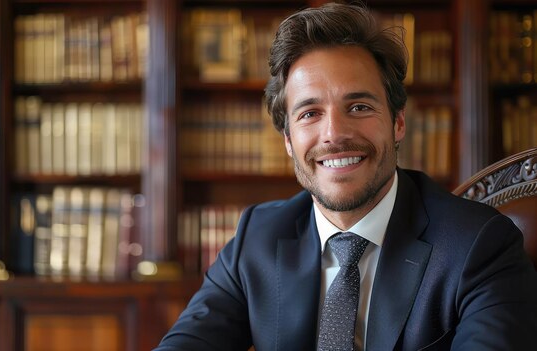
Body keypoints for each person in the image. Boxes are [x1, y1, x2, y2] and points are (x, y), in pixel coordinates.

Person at [156, 3, 537, 350]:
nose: (335, 134)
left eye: (358, 106)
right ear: (288, 140)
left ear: (398, 122)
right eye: (309, 113)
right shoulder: (257, 238)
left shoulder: (480, 245)